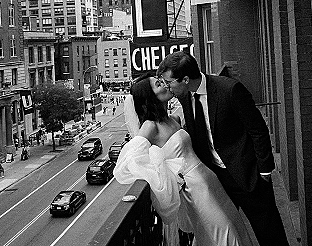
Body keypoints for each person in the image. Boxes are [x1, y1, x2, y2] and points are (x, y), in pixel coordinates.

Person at [157, 51, 289, 246]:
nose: (169, 88)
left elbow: (258, 129)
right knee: (222, 235)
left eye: (170, 83)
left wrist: (264, 170)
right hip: (217, 179)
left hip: (249, 176)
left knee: (269, 234)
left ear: (185, 79)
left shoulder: (230, 89)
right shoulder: (186, 97)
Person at [114, 73, 253, 246]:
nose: (165, 85)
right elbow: (131, 159)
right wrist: (166, 173)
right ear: (150, 97)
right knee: (224, 232)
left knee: (233, 224)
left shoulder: (174, 119)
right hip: (193, 189)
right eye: (158, 84)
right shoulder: (150, 126)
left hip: (209, 180)